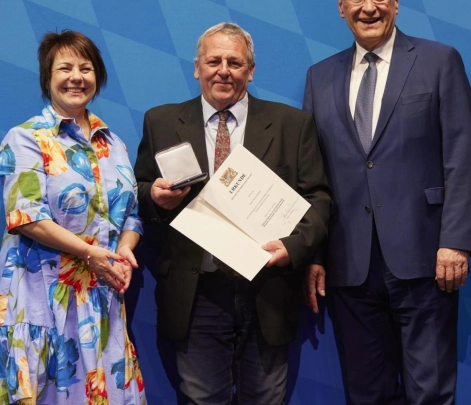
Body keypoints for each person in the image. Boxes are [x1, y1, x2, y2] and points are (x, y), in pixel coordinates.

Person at [302, 0, 471, 404]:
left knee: (430, 392)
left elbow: (464, 158)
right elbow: (312, 176)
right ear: (340, 7)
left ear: (397, 2)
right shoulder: (319, 76)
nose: (369, 6)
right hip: (349, 266)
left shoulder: (439, 61)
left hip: (426, 259)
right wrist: (314, 253)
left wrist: (456, 241)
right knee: (365, 393)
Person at [134, 22, 330, 404]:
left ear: (251, 71)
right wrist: (154, 198)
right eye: (214, 60)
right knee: (201, 398)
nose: (224, 70)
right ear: (197, 68)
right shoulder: (160, 121)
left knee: (266, 399)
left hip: (268, 288)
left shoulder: (293, 125)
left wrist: (295, 247)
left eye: (235, 62)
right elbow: (139, 191)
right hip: (197, 293)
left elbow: (319, 197)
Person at [0, 30, 146, 405]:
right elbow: (26, 216)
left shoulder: (114, 143)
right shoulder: (26, 138)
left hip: (101, 298)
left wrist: (125, 250)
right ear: (47, 79)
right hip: (40, 297)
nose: (76, 77)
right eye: (65, 68)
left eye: (86, 67)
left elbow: (131, 216)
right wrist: (90, 253)